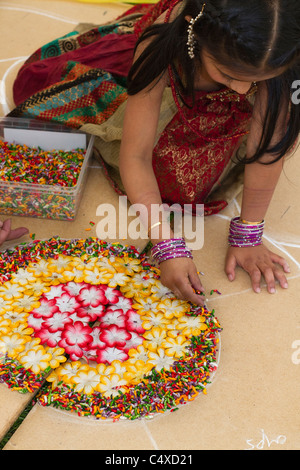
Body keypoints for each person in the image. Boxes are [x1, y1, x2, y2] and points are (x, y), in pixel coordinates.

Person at [7, 0, 300, 306]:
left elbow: (268, 151)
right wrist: (166, 243)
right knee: (165, 177)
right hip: (168, 59)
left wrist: (249, 234)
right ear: (194, 34)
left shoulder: (278, 52)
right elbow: (135, 156)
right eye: (228, 75)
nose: (241, 91)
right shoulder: (163, 44)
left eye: (255, 81)